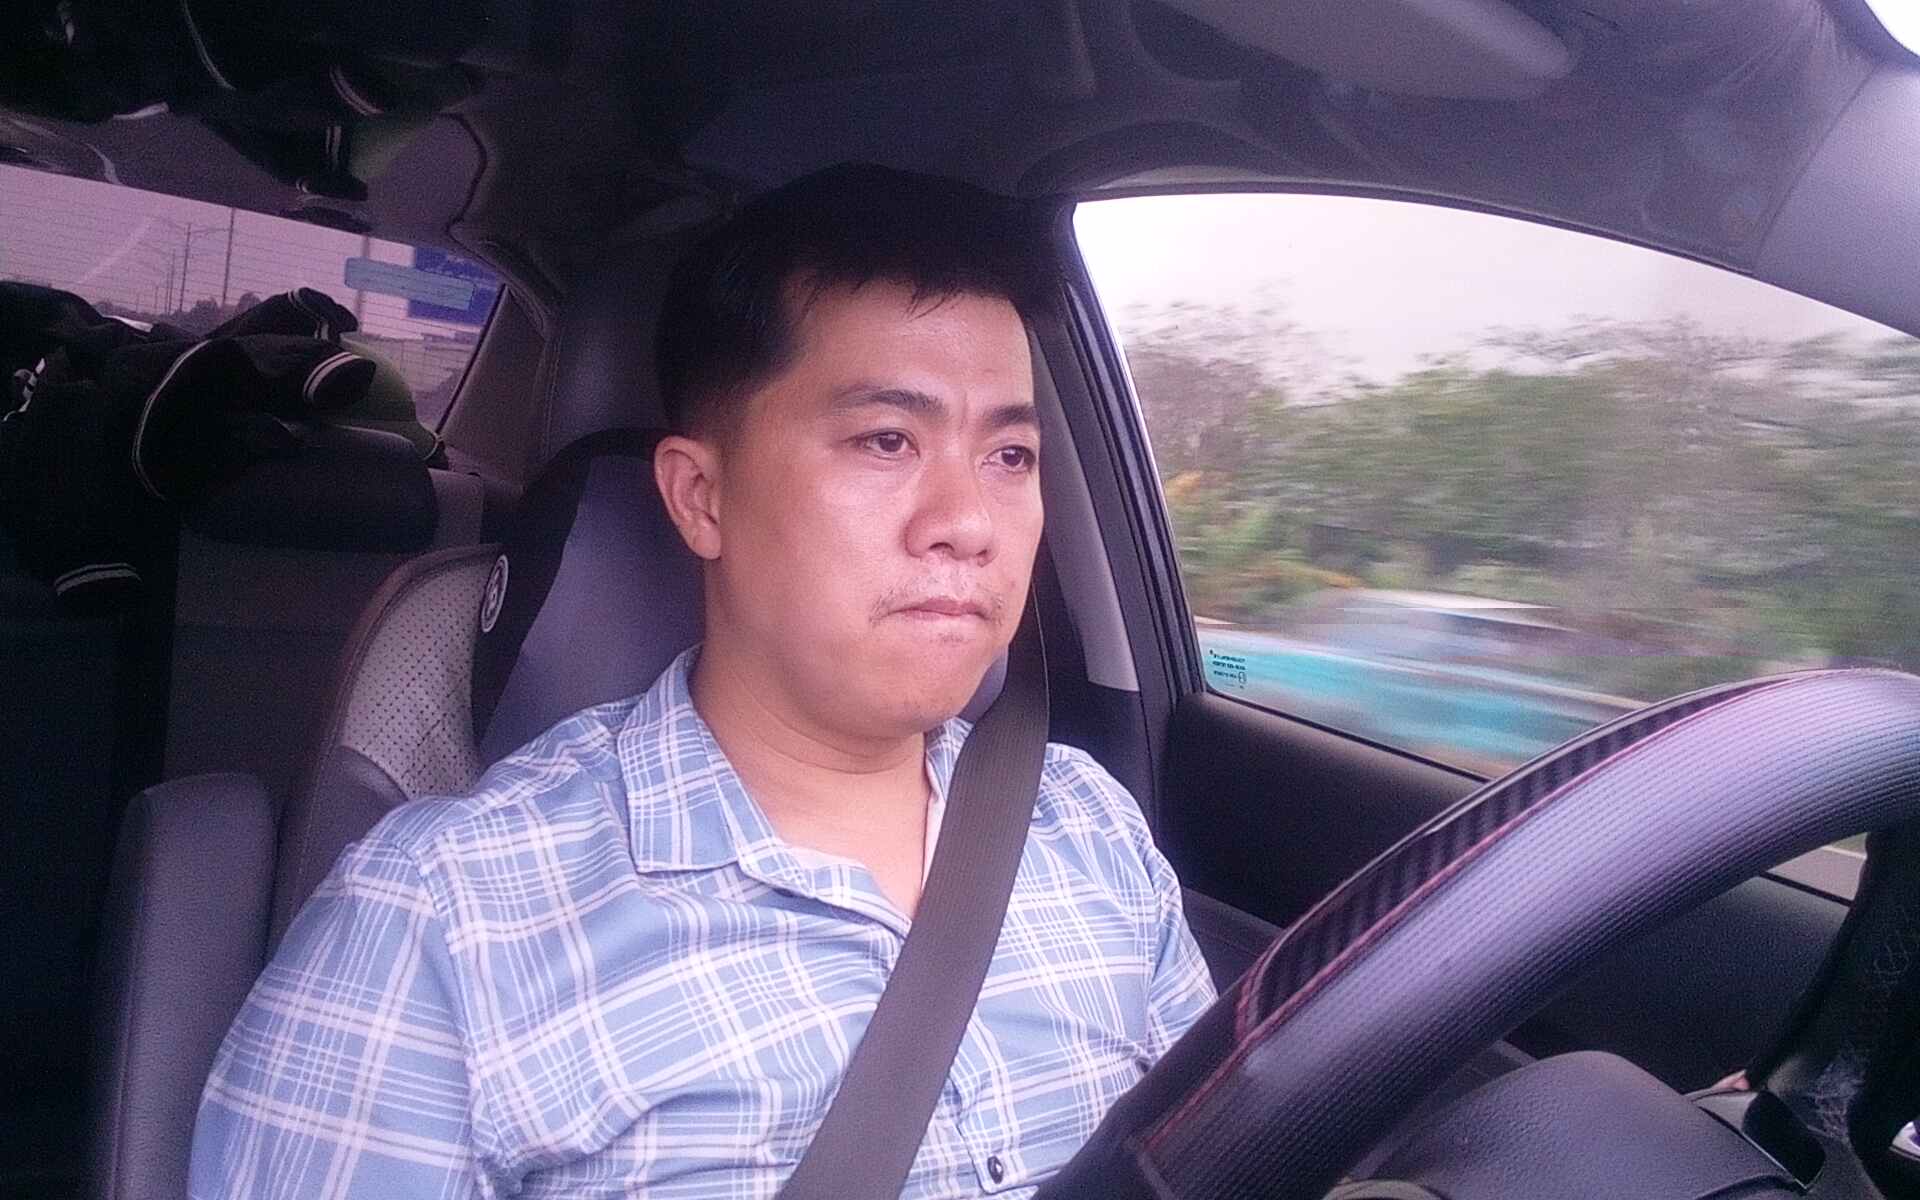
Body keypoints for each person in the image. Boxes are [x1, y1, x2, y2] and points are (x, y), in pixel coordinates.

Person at [190, 163, 1217, 1198]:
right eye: (886, 440)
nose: (968, 522)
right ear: (699, 497)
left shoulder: (1091, 831)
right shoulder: (443, 918)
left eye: (1010, 456)